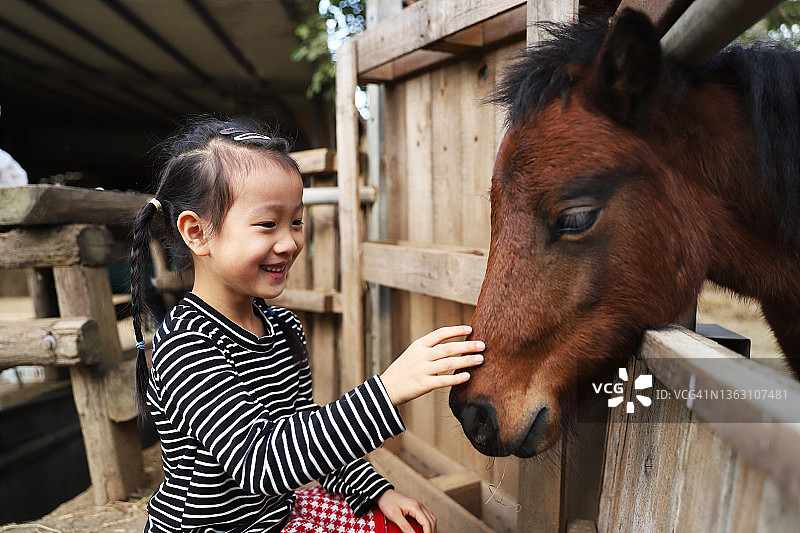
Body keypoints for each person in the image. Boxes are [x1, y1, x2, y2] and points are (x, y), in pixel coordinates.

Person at [129, 117, 485, 533]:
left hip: (275, 515)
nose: (289, 242)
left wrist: (376, 492)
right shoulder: (187, 343)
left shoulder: (283, 327)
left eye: (296, 221)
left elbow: (306, 436)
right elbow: (260, 463)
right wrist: (386, 391)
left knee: (405, 526)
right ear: (197, 232)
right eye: (268, 224)